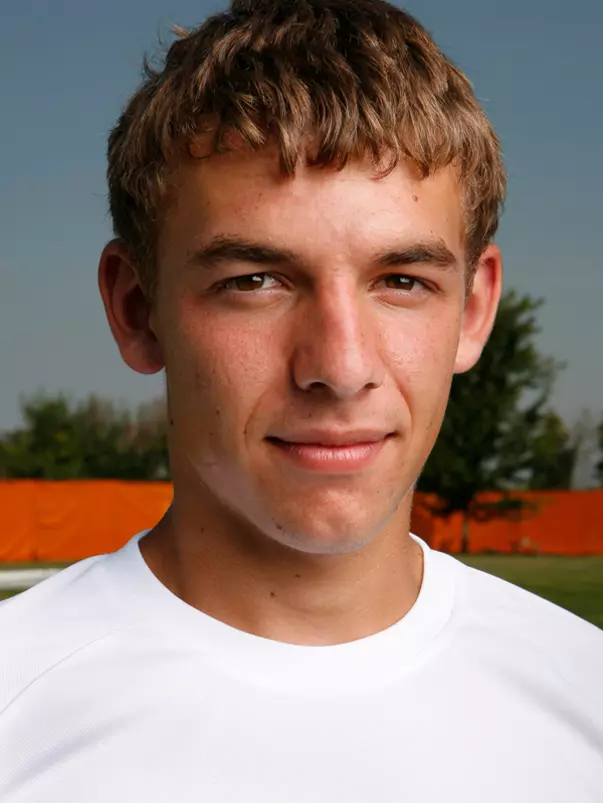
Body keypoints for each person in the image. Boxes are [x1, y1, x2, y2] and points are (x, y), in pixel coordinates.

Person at [1, 0, 602, 799]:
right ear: (136, 308)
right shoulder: (19, 697)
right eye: (254, 281)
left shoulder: (582, 696)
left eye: (400, 281)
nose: (340, 366)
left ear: (472, 309)